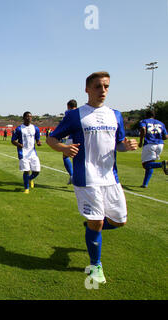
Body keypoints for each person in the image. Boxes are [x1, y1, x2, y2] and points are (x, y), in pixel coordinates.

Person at [47, 71, 138, 285]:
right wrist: (63, 147)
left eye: (106, 86)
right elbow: (52, 138)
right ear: (87, 89)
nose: (102, 90)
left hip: (111, 178)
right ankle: (95, 266)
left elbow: (118, 143)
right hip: (86, 178)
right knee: (97, 222)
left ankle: (91, 227)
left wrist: (125, 146)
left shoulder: (115, 115)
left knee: (119, 221)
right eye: (98, 86)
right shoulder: (75, 115)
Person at [11, 111, 42, 194]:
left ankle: (30, 179)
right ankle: (26, 188)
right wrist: (18, 144)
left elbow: (38, 139)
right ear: (24, 118)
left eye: (30, 116)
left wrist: (39, 142)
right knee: (26, 171)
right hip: (23, 153)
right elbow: (13, 140)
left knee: (37, 171)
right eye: (27, 116)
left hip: (32, 153)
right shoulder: (19, 129)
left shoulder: (35, 128)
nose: (29, 118)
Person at [138, 109, 168, 187]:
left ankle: (162, 164)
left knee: (145, 165)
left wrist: (141, 141)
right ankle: (145, 184)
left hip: (149, 144)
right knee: (150, 163)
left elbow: (143, 129)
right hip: (160, 145)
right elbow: (166, 136)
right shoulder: (161, 123)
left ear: (146, 115)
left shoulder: (144, 121)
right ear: (154, 115)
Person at [62, 99, 78, 184]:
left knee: (65, 156)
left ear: (68, 106)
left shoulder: (68, 112)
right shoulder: (80, 112)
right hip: (81, 138)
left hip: (72, 138)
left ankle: (72, 175)